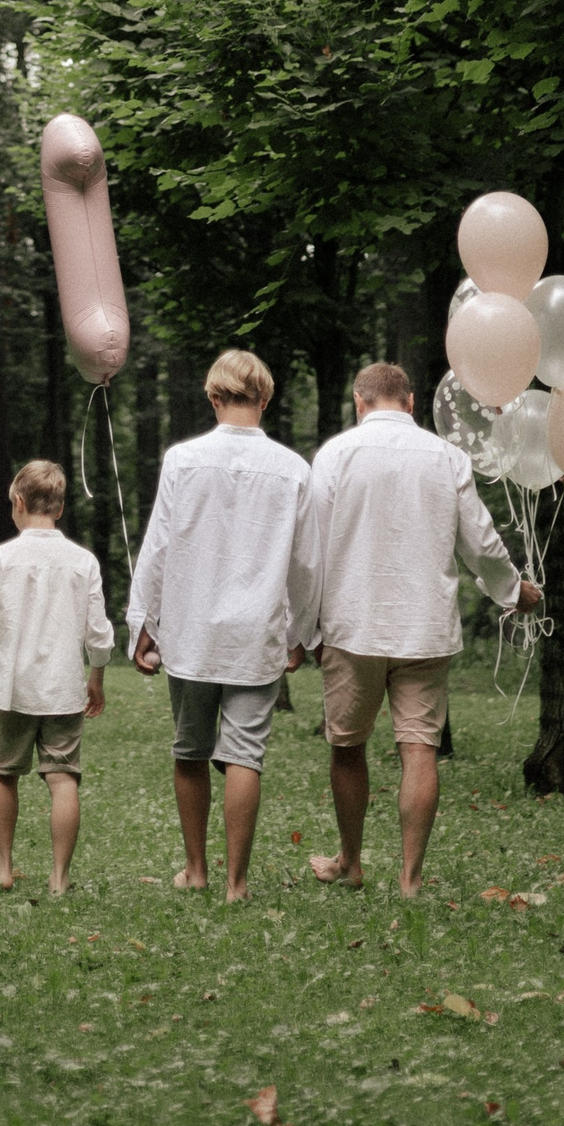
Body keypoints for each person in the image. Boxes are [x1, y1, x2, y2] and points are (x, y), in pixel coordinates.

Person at [303, 359, 541, 899]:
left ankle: (351, 863)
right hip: (425, 627)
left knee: (347, 748)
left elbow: (310, 549)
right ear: (411, 403)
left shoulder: (335, 454)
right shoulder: (446, 456)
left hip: (352, 625)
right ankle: (410, 880)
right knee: (419, 750)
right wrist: (513, 590)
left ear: (359, 403)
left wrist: (304, 628)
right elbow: (479, 539)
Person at [126, 348, 317, 903]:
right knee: (244, 754)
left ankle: (196, 869)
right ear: (266, 399)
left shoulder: (182, 461)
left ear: (213, 397)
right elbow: (306, 564)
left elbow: (158, 547)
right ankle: (238, 883)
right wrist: (301, 631)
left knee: (190, 750)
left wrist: (143, 622)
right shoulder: (293, 469)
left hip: (191, 630)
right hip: (257, 632)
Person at [0, 457, 114, 897]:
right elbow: (99, 634)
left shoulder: (2, 558)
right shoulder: (83, 561)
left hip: (13, 690)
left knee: (5, 774)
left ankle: (3, 868)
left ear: (18, 503)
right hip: (63, 690)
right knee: (63, 778)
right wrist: (96, 677)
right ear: (59, 508)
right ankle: (59, 877)